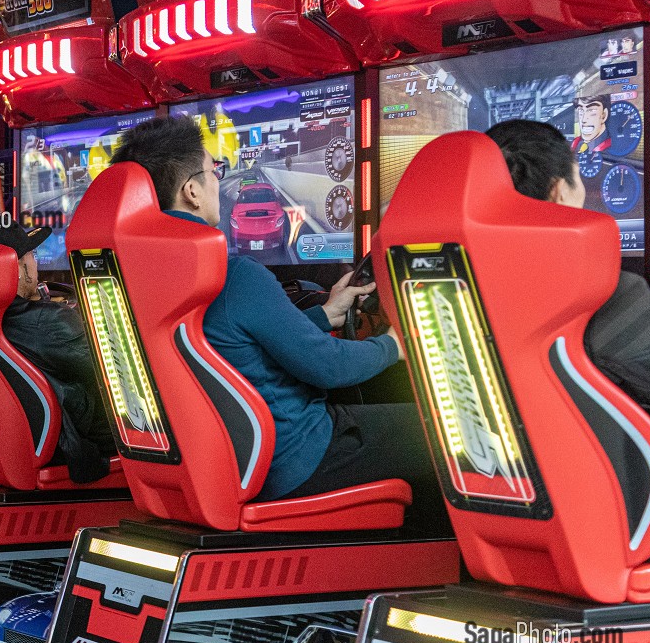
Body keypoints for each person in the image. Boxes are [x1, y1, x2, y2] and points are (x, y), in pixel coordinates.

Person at [109, 117, 441, 519]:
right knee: (442, 433)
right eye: (216, 171)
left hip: (216, 461)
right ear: (191, 191)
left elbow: (227, 342)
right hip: (295, 456)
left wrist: (323, 316)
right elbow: (327, 367)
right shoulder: (234, 276)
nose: (219, 181)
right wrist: (394, 346)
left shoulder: (125, 280)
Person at [487, 119, 650, 559]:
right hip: (641, 517)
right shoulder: (593, 291)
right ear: (559, 191)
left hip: (518, 517)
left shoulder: (460, 287)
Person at [0, 215, 115, 484]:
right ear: (18, 268)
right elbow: (116, 367)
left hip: (19, 440)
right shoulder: (47, 324)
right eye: (32, 255)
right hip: (84, 438)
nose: (35, 263)